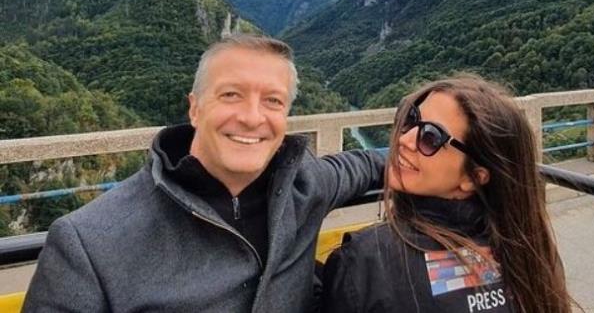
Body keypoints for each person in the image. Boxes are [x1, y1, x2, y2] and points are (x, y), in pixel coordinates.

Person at [23, 35, 385, 313]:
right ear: (195, 109)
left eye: (273, 101)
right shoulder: (88, 243)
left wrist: (412, 162)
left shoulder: (304, 185)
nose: (252, 117)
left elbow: (363, 165)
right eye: (231, 95)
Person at [321, 75, 572, 313]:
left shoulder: (366, 261)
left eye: (430, 137)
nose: (404, 139)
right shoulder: (534, 257)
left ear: (473, 177)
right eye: (411, 118)